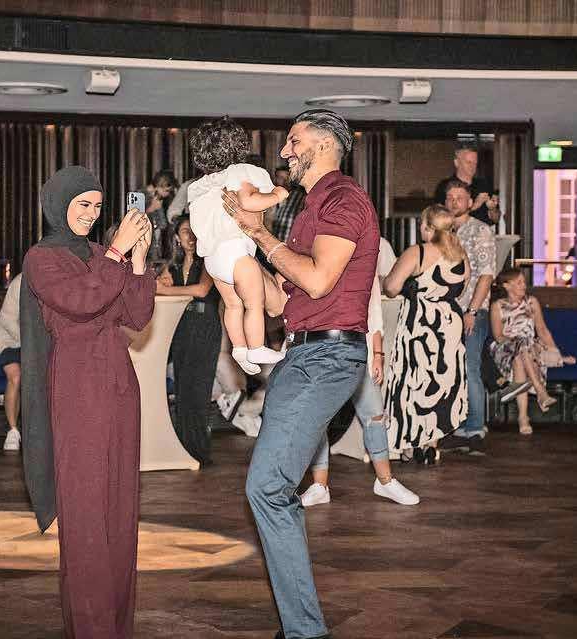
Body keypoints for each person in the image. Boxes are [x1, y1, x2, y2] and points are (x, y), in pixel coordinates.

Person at [225, 108, 379, 639]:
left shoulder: (343, 200)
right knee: (271, 489)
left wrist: (262, 236)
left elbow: (317, 280)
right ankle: (301, 628)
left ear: (326, 144)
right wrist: (235, 257)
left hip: (327, 358)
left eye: (294, 141)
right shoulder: (310, 207)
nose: (285, 151)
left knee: (267, 487)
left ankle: (305, 632)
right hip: (301, 355)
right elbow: (281, 301)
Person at [20, 166, 155, 639]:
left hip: (119, 385)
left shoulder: (101, 254)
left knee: (120, 512)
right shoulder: (41, 258)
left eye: (98, 206)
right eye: (83, 204)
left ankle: (116, 627)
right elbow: (82, 302)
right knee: (84, 515)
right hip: (77, 387)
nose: (92, 214)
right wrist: (117, 253)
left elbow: (136, 315)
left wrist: (138, 260)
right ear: (60, 204)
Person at [299, 235, 420, 507]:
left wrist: (377, 354)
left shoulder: (364, 263)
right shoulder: (316, 260)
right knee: (318, 418)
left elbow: (374, 313)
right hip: (321, 349)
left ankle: (385, 481)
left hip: (358, 349)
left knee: (374, 414)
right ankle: (319, 485)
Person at [187, 117, 289, 375]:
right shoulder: (242, 171)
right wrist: (277, 194)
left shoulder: (201, 185)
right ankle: (256, 347)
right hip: (235, 253)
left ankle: (240, 348)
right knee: (254, 303)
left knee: (233, 305)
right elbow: (249, 201)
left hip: (212, 259)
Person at [380, 205, 468, 464]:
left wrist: (385, 281)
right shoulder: (460, 255)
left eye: (422, 224)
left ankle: (410, 443)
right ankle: (431, 443)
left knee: (412, 380)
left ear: (429, 227)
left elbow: (392, 288)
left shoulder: (417, 252)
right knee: (441, 382)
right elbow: (462, 288)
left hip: (420, 323)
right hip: (449, 324)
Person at [157, 215, 221, 464]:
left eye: (194, 231)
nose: (191, 236)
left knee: (199, 391)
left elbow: (202, 290)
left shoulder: (210, 260)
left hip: (205, 327)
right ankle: (183, 449)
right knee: (183, 392)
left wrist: (166, 289)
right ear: (177, 237)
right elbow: (157, 285)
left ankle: (199, 452)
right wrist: (162, 283)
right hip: (181, 327)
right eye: (185, 231)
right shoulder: (174, 265)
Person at [440, 180, 496, 456]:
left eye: (459, 197)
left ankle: (475, 428)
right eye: (450, 197)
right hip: (446, 311)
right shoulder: (443, 232)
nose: (454, 202)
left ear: (470, 202)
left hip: (471, 310)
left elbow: (486, 274)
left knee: (470, 368)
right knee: (451, 370)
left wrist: (472, 311)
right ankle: (456, 426)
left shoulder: (480, 230)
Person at [489, 268, 576, 435]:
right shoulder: (497, 306)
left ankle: (523, 417)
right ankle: (540, 391)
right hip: (505, 350)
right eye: (519, 282)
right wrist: (516, 342)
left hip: (527, 351)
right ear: (507, 285)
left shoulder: (531, 302)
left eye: (524, 282)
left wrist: (555, 352)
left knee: (520, 359)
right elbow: (498, 336)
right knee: (521, 348)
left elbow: (542, 330)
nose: (524, 285)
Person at [0, 274, 23, 451]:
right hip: (9, 338)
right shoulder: (19, 282)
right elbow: (8, 321)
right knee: (15, 376)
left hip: (36, 342)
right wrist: (30, 345)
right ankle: (13, 430)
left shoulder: (57, 278)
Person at [433, 146, 501, 225]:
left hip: (483, 232)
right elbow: (440, 219)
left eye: (475, 163)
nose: (473, 167)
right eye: (469, 162)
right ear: (456, 163)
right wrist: (475, 206)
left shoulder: (484, 185)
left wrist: (492, 209)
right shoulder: (444, 187)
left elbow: (496, 219)